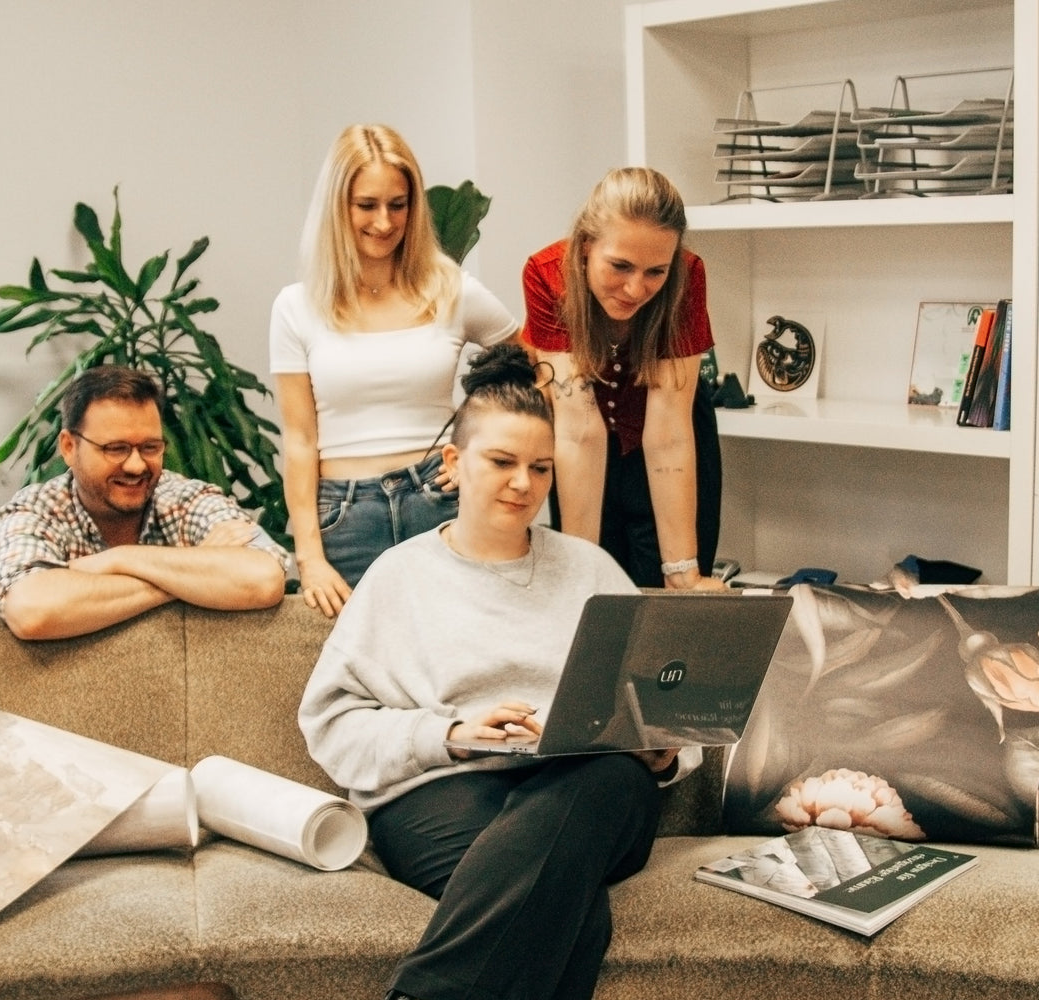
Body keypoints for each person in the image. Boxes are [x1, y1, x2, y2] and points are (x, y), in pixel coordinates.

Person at [299, 343, 699, 1000]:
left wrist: (660, 748)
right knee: (572, 916)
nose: (524, 484)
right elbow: (332, 726)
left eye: (541, 468)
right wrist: (451, 734)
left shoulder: (591, 570)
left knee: (606, 780)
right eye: (502, 462)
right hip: (443, 793)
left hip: (593, 789)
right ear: (453, 463)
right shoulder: (399, 576)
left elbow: (662, 705)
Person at [270, 123, 518, 618]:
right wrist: (309, 558)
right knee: (363, 661)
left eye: (397, 204)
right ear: (337, 207)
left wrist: (480, 448)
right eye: (367, 205)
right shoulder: (296, 307)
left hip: (442, 501)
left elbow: (530, 370)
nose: (384, 222)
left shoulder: (451, 289)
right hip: (346, 519)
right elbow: (299, 440)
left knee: (465, 649)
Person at [522, 166, 725, 590]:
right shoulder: (547, 274)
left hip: (673, 437)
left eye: (655, 272)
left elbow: (669, 431)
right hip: (580, 442)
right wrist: (579, 575)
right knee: (592, 593)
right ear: (586, 246)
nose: (635, 289)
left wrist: (682, 572)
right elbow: (578, 430)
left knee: (672, 599)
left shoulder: (688, 275)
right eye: (620, 266)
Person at [0, 365, 288, 640]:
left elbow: (263, 579)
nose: (136, 465)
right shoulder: (35, 510)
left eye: (150, 447)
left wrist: (119, 559)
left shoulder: (186, 499)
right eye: (116, 448)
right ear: (68, 447)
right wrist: (190, 574)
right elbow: (33, 611)